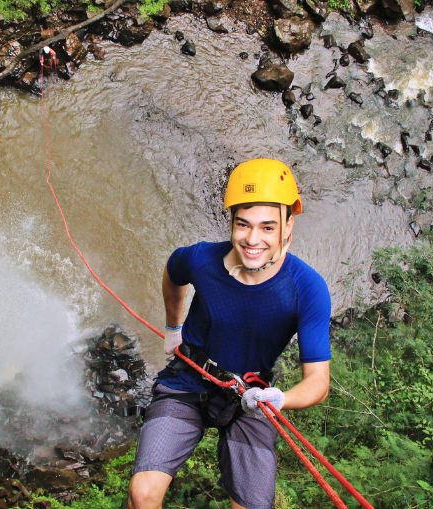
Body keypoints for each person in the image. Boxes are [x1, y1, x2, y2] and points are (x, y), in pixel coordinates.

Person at [127, 158, 332, 509]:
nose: (253, 240)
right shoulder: (201, 260)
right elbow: (173, 274)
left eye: (268, 227)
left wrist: (279, 399)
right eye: (243, 225)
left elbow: (317, 381)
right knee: (142, 494)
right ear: (231, 222)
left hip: (251, 397)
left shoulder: (306, 288)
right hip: (188, 381)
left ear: (288, 226)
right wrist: (173, 327)